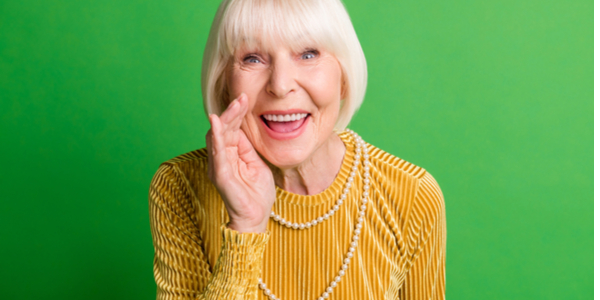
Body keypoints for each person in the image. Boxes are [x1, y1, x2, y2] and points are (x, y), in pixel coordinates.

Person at [148, 0, 446, 299]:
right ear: (223, 82)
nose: (279, 85)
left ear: (343, 76)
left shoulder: (413, 195)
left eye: (308, 54)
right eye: (252, 58)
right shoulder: (180, 186)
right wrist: (246, 226)